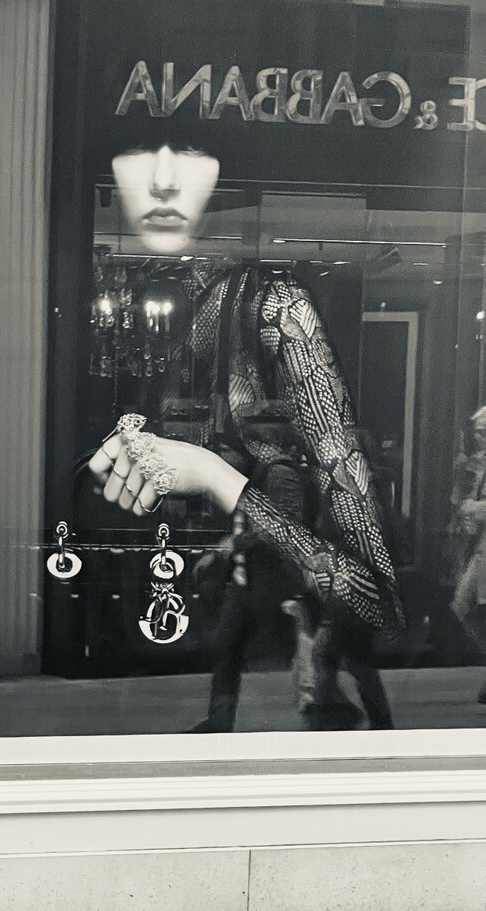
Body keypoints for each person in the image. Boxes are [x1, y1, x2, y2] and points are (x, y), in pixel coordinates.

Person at [85, 135, 402, 731]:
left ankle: (354, 717)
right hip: (257, 576)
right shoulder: (220, 327)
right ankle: (231, 718)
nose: (161, 180)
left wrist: (214, 484)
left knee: (333, 653)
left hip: (277, 577)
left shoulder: (280, 316)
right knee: (238, 649)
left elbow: (359, 583)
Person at [450, 406, 486, 705]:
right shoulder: (479, 462)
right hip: (480, 545)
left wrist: (476, 509)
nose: (479, 438)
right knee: (463, 605)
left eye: (483, 433)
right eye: (477, 433)